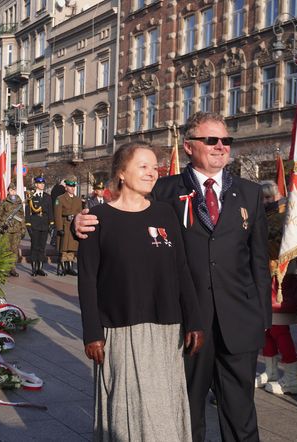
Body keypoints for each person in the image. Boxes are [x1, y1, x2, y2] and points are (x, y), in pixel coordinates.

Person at [74, 112, 270, 442]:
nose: (220, 147)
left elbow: (259, 260)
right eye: (211, 140)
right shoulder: (163, 190)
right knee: (186, 409)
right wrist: (78, 224)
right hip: (188, 321)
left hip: (239, 320)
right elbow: (122, 213)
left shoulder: (249, 192)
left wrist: (262, 317)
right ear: (190, 145)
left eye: (226, 141)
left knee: (241, 414)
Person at [78, 144, 204, 441]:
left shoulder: (166, 213)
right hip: (120, 331)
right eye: (143, 166)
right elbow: (86, 280)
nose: (152, 172)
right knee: (127, 409)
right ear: (121, 173)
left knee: (163, 407)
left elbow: (181, 269)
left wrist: (194, 321)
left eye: (154, 166)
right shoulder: (97, 219)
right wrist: (92, 333)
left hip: (166, 329)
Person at [254, 181, 297, 395]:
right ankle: (271, 370)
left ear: (278, 196)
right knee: (264, 328)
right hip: (260, 277)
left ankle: (292, 377)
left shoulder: (287, 217)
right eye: (262, 197)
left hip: (280, 278)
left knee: (279, 329)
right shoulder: (257, 216)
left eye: (269, 197)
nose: (266, 201)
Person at [54, 175, 83, 276]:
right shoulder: (60, 198)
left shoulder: (78, 200)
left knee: (71, 248)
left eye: (74, 186)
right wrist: (59, 228)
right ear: (66, 187)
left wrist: (79, 227)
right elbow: (57, 214)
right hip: (65, 224)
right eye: (70, 186)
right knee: (63, 248)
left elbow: (80, 213)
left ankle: (70, 267)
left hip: (73, 226)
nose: (72, 188)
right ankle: (61, 267)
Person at [26, 176, 54, 277]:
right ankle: (34, 268)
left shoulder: (47, 196)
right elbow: (28, 212)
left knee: (42, 247)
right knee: (34, 247)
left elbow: (50, 211)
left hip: (44, 224)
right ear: (36, 184)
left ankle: (40, 268)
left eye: (43, 183)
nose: (42, 185)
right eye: (40, 183)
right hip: (35, 223)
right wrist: (28, 224)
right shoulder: (31, 196)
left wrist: (51, 223)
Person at [0, 183, 25, 277]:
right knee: (6, 249)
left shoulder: (19, 202)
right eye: (11, 190)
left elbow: (22, 217)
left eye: (14, 190)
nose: (13, 192)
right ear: (8, 191)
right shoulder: (4, 202)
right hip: (7, 229)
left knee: (14, 250)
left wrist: (23, 228)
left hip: (16, 230)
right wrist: (2, 224)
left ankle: (13, 268)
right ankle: (6, 269)